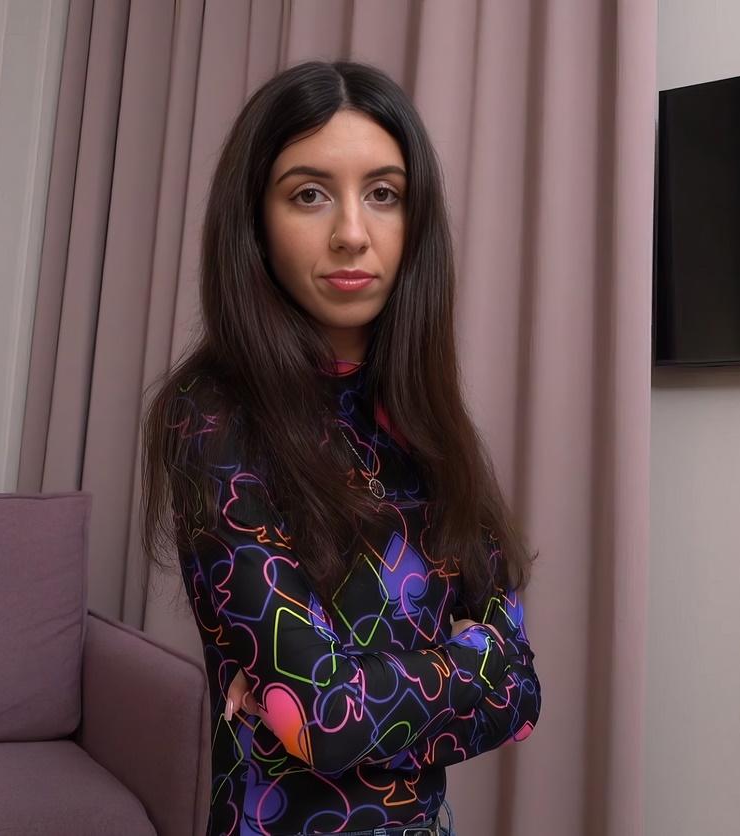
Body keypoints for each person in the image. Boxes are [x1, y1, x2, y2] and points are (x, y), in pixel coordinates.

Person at [140, 59, 541, 836]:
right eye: (310, 194)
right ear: (255, 222)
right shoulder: (214, 413)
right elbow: (326, 720)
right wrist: (472, 660)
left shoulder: (427, 420)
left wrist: (353, 692)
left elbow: (522, 697)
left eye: (383, 194)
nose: (352, 233)